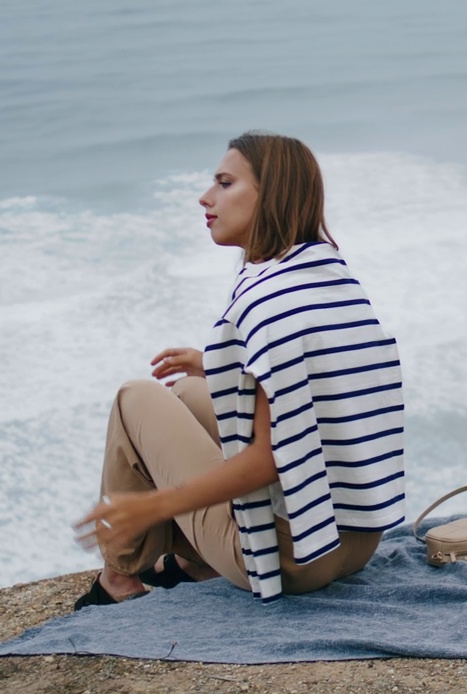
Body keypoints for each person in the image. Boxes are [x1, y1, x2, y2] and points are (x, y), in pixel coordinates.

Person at [73, 131, 406, 608]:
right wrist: (213, 366)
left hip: (289, 559)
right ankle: (194, 562)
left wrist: (152, 505)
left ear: (270, 195)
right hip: (353, 541)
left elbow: (266, 461)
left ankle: (119, 578)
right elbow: (314, 385)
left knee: (135, 399)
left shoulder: (265, 300)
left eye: (225, 184)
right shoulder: (330, 277)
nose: (205, 198)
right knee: (187, 392)